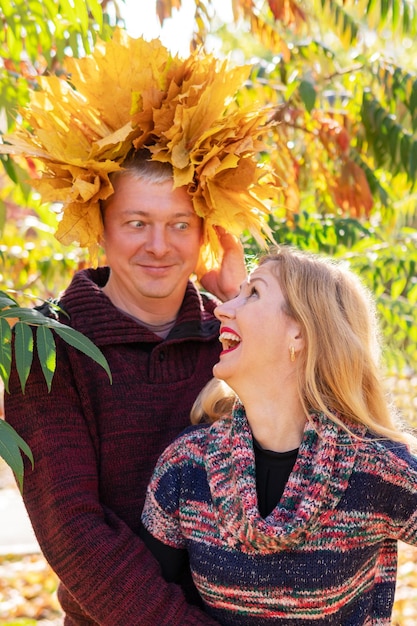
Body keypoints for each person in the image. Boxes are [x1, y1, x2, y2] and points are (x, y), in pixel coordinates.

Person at [2, 31, 277, 625]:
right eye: (136, 222)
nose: (159, 246)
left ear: (207, 234)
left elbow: (324, 449)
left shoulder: (229, 335)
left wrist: (238, 300)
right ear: (98, 225)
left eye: (181, 224)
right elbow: (76, 535)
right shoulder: (46, 350)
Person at [141, 245, 417, 625]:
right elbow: (147, 605)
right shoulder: (186, 466)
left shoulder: (375, 468)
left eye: (253, 293)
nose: (223, 308)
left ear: (300, 332)